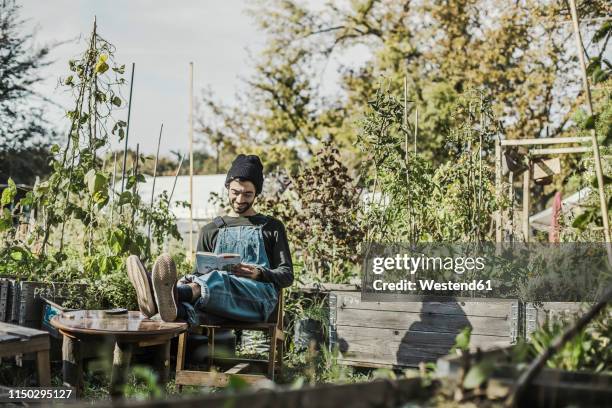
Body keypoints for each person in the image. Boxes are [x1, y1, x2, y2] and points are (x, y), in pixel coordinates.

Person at [126, 154, 294, 324]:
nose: (240, 199)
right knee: (196, 281)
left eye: (248, 194)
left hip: (256, 299)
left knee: (217, 280)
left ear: (256, 193)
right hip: (215, 298)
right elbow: (199, 273)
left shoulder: (271, 227)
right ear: (227, 187)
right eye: (235, 192)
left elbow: (287, 275)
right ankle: (172, 304)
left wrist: (260, 273)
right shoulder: (211, 229)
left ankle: (162, 295)